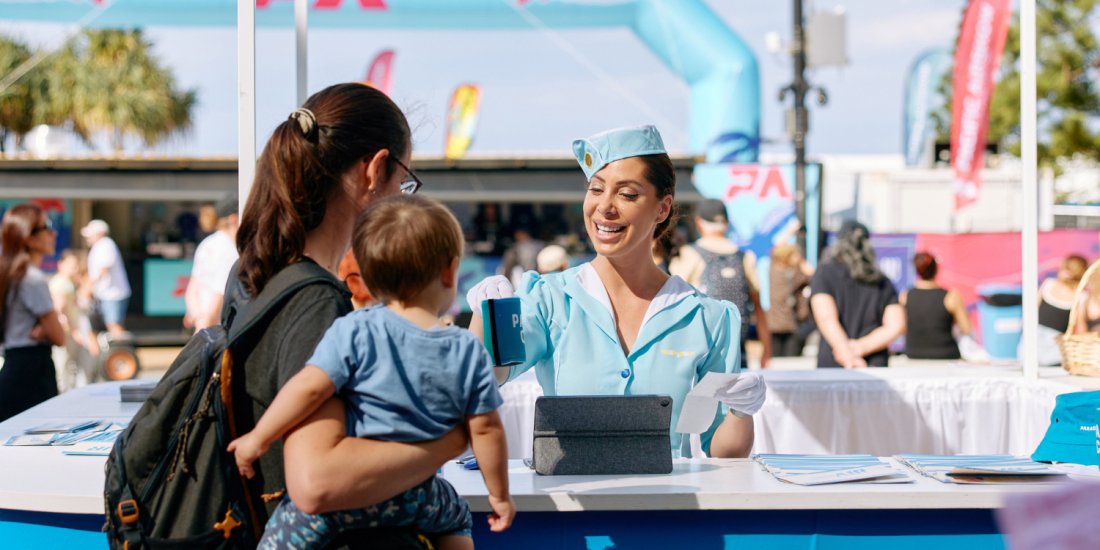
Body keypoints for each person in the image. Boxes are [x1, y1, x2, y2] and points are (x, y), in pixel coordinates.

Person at [227, 82, 466, 548]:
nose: (403, 200)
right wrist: (452, 442)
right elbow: (317, 481)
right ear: (375, 169)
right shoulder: (317, 302)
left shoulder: (252, 274)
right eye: (405, 184)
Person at [230, 195, 513, 550]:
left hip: (350, 496)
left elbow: (308, 388)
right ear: (449, 271)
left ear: (367, 274)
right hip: (418, 495)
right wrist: (499, 495)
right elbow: (487, 429)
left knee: (281, 532)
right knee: (456, 516)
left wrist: (259, 438)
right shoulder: (465, 348)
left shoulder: (355, 330)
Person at [467, 125, 765, 458]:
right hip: (569, 505)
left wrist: (742, 410)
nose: (604, 207)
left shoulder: (706, 318)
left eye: (626, 194)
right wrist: (484, 318)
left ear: (662, 208)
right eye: (596, 189)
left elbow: (724, 453)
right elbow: (489, 376)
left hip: (668, 504)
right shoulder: (550, 299)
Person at [669, 198, 772, 369]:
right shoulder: (744, 257)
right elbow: (758, 308)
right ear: (726, 223)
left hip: (700, 350)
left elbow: (671, 302)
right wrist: (767, 351)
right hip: (737, 349)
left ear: (699, 223)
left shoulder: (689, 254)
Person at [810, 220, 906, 368]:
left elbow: (826, 318)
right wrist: (862, 347)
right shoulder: (881, 280)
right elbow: (896, 325)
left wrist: (847, 353)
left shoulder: (824, 273)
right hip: (873, 365)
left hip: (833, 366)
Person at [0, 204, 65, 422]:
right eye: (46, 227)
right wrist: (46, 329)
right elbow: (60, 336)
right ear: (29, 237)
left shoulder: (10, 274)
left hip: (14, 364)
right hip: (33, 371)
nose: (53, 233)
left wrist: (43, 328)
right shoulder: (32, 278)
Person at [183, 192, 240, 330]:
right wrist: (204, 328)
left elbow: (192, 289)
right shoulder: (230, 251)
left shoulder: (207, 244)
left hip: (204, 324)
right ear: (233, 219)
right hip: (217, 330)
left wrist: (198, 318)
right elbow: (219, 296)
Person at [901, 252, 971, 360]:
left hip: (913, 353)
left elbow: (902, 327)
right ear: (936, 269)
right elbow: (966, 328)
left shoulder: (905, 296)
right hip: (946, 354)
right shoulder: (951, 297)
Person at [49, 250, 94, 391]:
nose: (74, 268)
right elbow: (59, 308)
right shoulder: (61, 283)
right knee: (64, 369)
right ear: (60, 264)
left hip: (69, 332)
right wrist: (74, 331)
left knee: (67, 368)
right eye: (71, 265)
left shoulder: (67, 282)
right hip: (67, 333)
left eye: (75, 265)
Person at [1032, 254, 1087, 364]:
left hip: (1042, 341)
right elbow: (1081, 328)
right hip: (1046, 342)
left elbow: (1031, 311)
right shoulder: (1080, 296)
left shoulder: (1049, 284)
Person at [81, 219, 131, 336]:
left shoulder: (106, 245)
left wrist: (86, 289)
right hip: (105, 294)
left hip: (113, 294)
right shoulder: (99, 246)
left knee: (114, 324)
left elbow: (103, 270)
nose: (87, 238)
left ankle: (122, 352)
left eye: (90, 235)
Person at [767, 243, 814, 357]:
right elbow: (812, 274)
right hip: (790, 324)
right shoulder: (792, 274)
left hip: (774, 323)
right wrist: (802, 262)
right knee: (790, 362)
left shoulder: (773, 269)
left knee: (776, 359)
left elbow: (774, 250)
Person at [500, 215, 545, 287]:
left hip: (527, 282)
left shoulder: (515, 247)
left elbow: (506, 271)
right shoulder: (541, 245)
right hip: (540, 282)